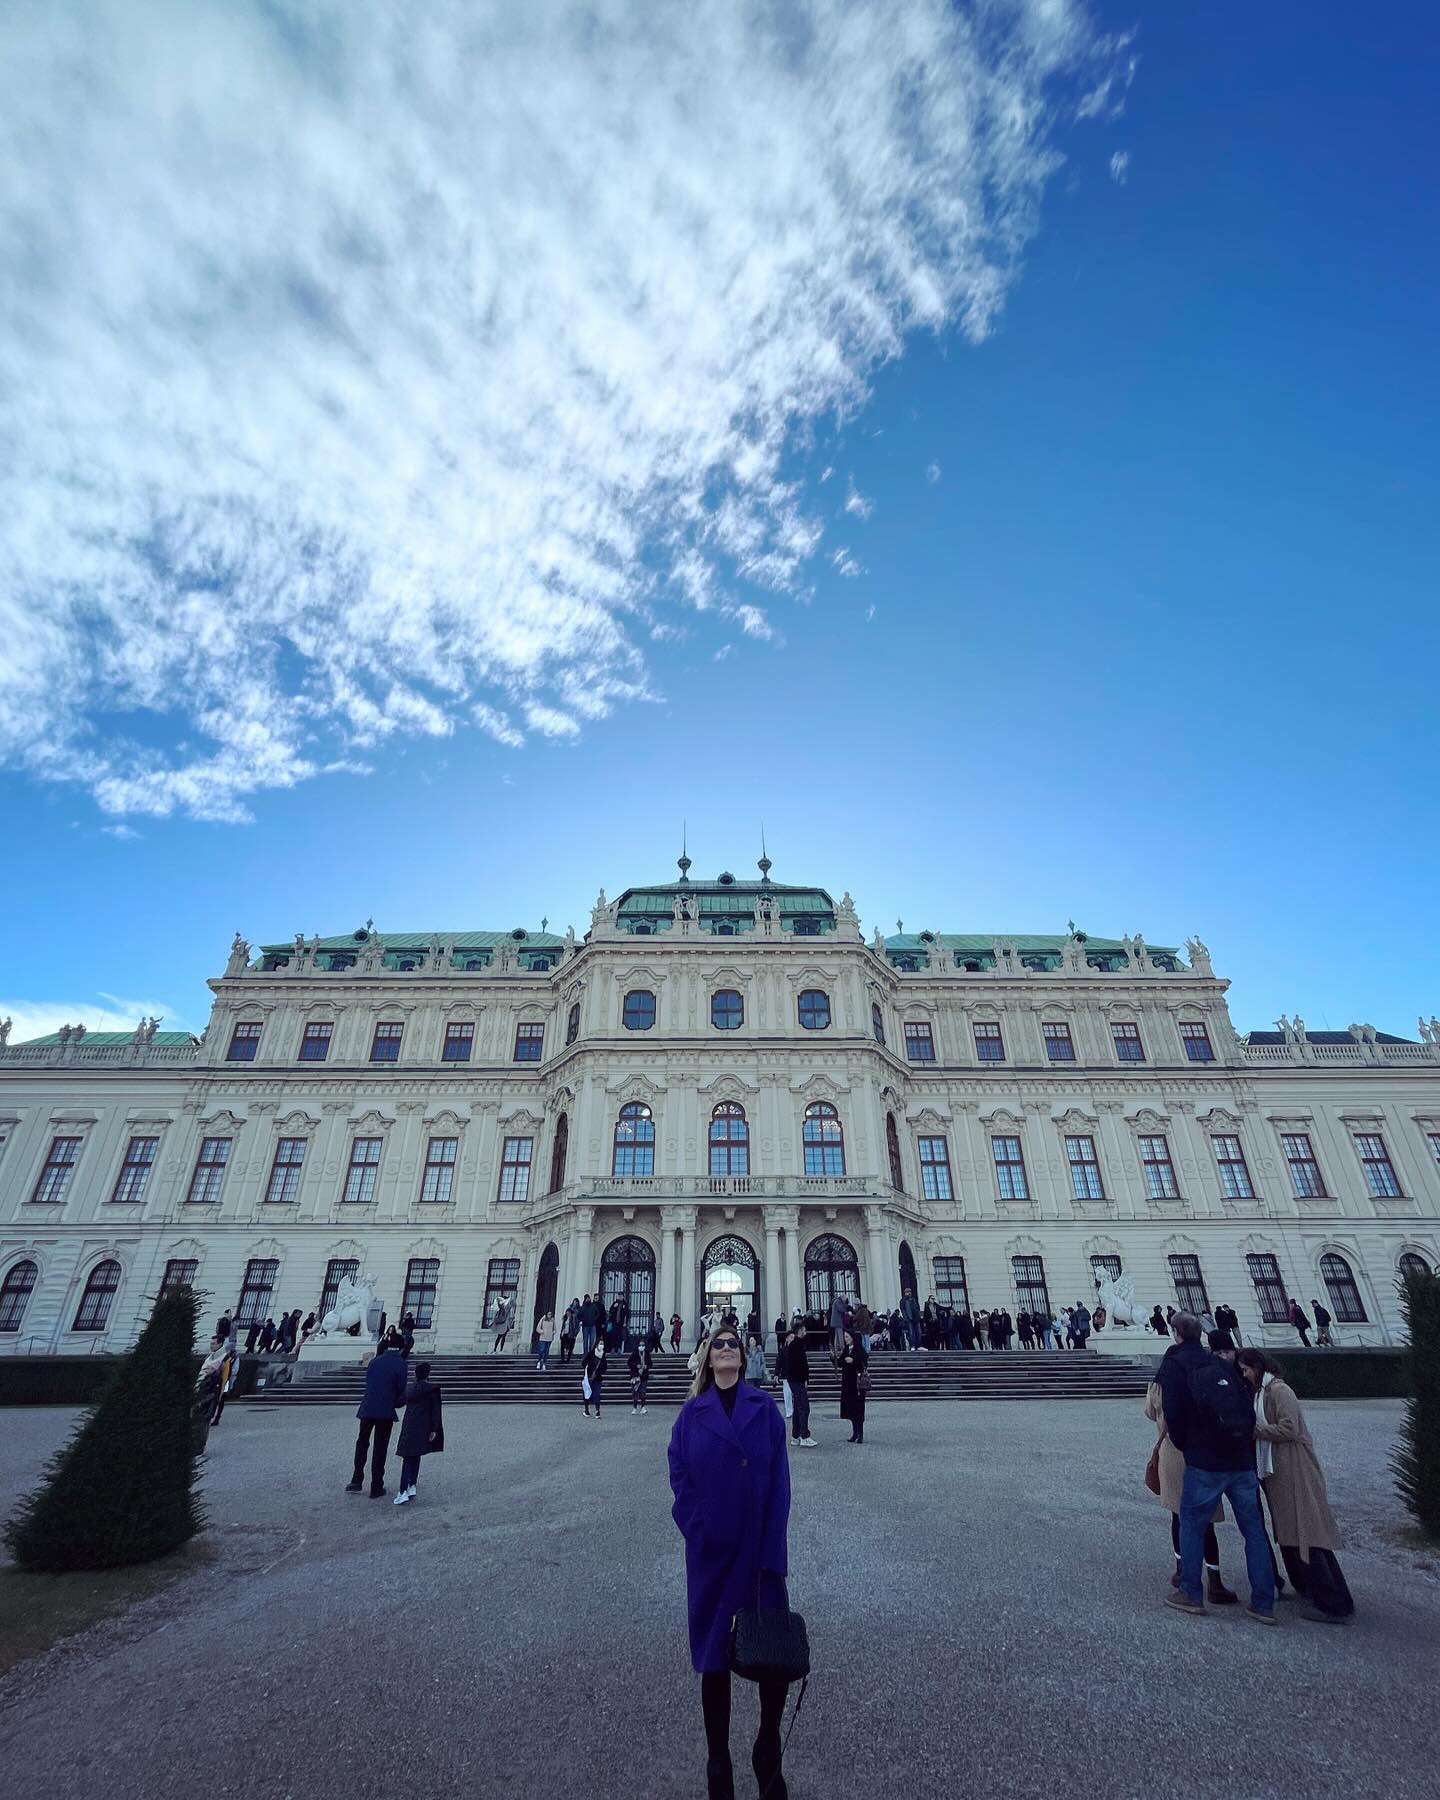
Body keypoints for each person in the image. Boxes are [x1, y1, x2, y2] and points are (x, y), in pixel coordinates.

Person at [667, 1328, 793, 1800]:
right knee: (715, 1664)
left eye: (733, 1345)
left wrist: (773, 1549)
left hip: (758, 1553)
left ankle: (767, 1747)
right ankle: (718, 1762)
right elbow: (678, 1475)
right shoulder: (689, 1416)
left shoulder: (764, 1412)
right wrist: (699, 1530)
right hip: (713, 1556)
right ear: (707, 1358)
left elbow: (780, 1484)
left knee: (772, 1658)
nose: (725, 1350)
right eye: (718, 1345)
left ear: (743, 1358)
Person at [1157, 1312, 1276, 1622]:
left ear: (1176, 1334)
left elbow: (1173, 1414)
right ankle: (1264, 1603)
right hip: (1240, 1460)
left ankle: (1191, 1593)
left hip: (1205, 1460)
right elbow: (1245, 1405)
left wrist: (1188, 1445)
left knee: (1192, 1524)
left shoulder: (1174, 1364)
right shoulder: (1220, 1363)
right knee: (1255, 1532)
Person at [1236, 1348, 1354, 1624]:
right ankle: (1310, 1588)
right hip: (1276, 1468)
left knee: (1305, 1529)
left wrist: (1252, 1430)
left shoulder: (1279, 1390)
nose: (1243, 1375)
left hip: (1293, 1467)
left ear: (1257, 1367)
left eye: (1245, 1369)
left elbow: (1291, 1429)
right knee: (1288, 1530)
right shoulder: (1262, 1392)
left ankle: (1333, 1601)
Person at [1143, 1374, 1238, 1606]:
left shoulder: (1161, 1384)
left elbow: (1149, 1412)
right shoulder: (1202, 1378)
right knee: (1206, 1521)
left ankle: (1182, 1570)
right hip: (1203, 1455)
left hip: (1173, 1455)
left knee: (1178, 1514)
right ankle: (1214, 1579)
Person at [347, 1338, 408, 1498]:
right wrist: (399, 1402)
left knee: (362, 1443)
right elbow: (401, 1389)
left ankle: (356, 1479)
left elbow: (369, 1383)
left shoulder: (374, 1361)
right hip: (385, 1410)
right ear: (401, 1349)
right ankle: (376, 1486)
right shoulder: (401, 1363)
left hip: (367, 1408)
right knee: (380, 1448)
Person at [393, 1360, 444, 1506]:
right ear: (428, 1374)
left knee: (408, 1457)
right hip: (423, 1427)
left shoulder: (410, 1388)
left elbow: (398, 1402)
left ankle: (404, 1490)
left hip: (410, 1425)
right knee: (416, 1455)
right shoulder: (432, 1389)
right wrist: (434, 1429)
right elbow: (436, 1411)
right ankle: (410, 1486)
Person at [785, 1327, 815, 1447]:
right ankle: (804, 1436)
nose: (806, 1332)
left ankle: (795, 1436)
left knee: (798, 1408)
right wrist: (804, 1378)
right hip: (797, 1380)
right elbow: (801, 1365)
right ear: (800, 1331)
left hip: (795, 1379)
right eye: (804, 1330)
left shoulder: (795, 1345)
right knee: (804, 1407)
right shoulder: (797, 1345)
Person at [838, 1328, 869, 1445]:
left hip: (857, 1384)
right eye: (845, 1337)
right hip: (848, 1384)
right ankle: (855, 1432)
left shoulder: (859, 1349)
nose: (845, 1339)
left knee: (858, 1409)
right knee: (850, 1409)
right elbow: (841, 1362)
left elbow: (864, 1362)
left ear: (852, 1338)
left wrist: (853, 1360)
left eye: (847, 1337)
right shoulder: (846, 1349)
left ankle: (860, 1433)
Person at [582, 1339, 607, 1418]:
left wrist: (599, 1372)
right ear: (597, 1344)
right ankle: (587, 1410)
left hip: (598, 1378)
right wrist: (587, 1367)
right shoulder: (591, 1353)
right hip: (590, 1377)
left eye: (603, 1344)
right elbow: (583, 1362)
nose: (601, 1345)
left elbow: (605, 1367)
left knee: (597, 1394)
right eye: (600, 1344)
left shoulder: (603, 1355)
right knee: (587, 1393)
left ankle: (597, 1411)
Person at [629, 1338, 653, 1413]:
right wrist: (636, 1366)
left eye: (643, 1345)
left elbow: (650, 1364)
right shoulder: (634, 1353)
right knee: (635, 1392)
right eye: (640, 1345)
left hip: (644, 1376)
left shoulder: (647, 1353)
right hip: (635, 1375)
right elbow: (629, 1363)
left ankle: (643, 1407)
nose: (641, 1346)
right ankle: (635, 1407)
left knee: (643, 1392)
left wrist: (647, 1366)